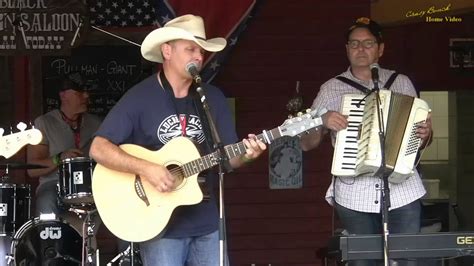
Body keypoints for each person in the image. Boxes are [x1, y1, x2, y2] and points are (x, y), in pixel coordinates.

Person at [89, 14, 266, 266]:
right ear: (167, 51)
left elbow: (229, 157)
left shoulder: (211, 98)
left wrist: (248, 154)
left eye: (201, 51)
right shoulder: (140, 97)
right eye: (190, 49)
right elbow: (98, 148)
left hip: (207, 222)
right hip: (160, 224)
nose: (198, 56)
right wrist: (147, 168)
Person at [300, 17, 433, 266]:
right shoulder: (331, 89)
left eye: (368, 43)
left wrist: (426, 134)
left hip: (403, 189)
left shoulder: (401, 83)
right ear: (347, 49)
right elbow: (307, 144)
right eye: (354, 44)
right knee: (363, 262)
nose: (361, 49)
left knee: (407, 259)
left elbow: (419, 139)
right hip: (354, 193)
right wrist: (322, 120)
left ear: (380, 49)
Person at [27, 73, 102, 216]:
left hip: (89, 185)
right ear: (63, 95)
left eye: (87, 92)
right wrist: (59, 158)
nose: (86, 96)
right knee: (46, 200)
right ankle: (48, 237)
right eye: (79, 92)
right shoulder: (44, 123)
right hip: (54, 183)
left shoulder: (96, 123)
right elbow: (32, 170)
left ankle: (89, 238)